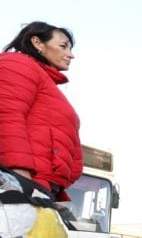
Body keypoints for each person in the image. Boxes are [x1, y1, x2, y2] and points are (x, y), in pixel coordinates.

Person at [0, 21, 81, 201]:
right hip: (22, 184)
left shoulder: (43, 79)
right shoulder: (17, 64)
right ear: (37, 43)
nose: (71, 54)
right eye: (63, 46)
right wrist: (19, 178)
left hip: (41, 188)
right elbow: (7, 117)